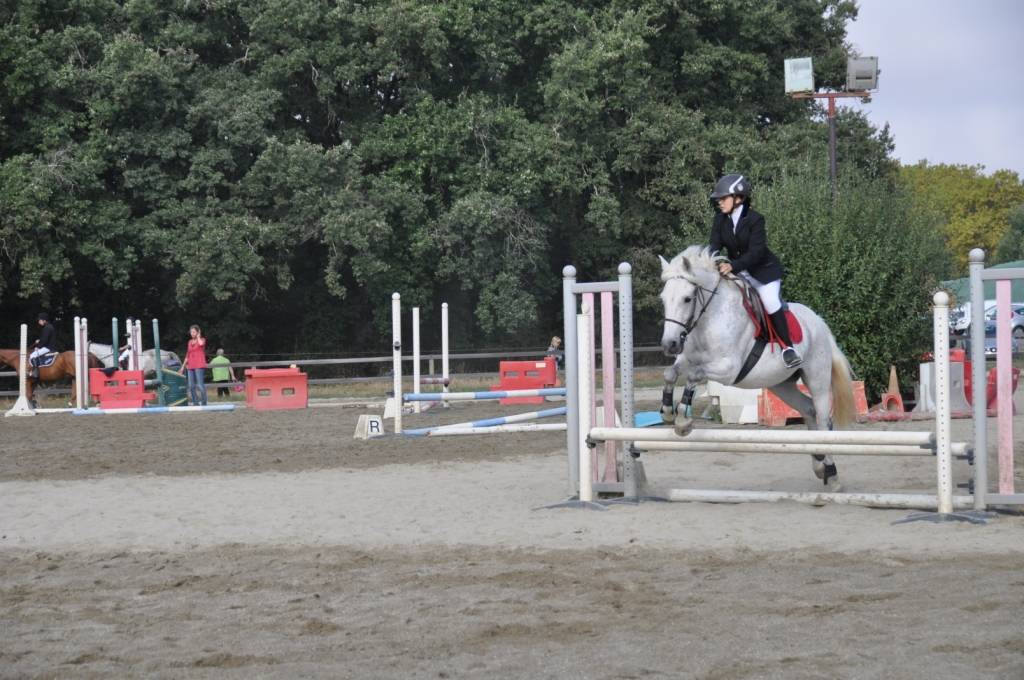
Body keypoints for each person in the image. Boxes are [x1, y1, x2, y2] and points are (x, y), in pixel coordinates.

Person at [707, 174, 802, 368]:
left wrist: (733, 266)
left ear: (739, 198)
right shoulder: (720, 219)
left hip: (764, 273)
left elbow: (756, 252)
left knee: (770, 301)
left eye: (723, 198)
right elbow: (714, 246)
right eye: (719, 199)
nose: (719, 202)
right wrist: (711, 261)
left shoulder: (755, 219)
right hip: (740, 272)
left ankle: (788, 348)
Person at [180, 324, 208, 406]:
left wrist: (199, 336)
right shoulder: (189, 342)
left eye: (194, 332)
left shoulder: (202, 339)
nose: (192, 333)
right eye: (191, 332)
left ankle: (204, 402)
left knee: (200, 385)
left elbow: (201, 344)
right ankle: (195, 402)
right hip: (190, 366)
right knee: (191, 386)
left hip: (199, 365)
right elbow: (187, 355)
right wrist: (182, 367)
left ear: (198, 332)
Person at [29, 312, 59, 377]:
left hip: (48, 348)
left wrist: (38, 347)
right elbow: (45, 338)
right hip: (50, 346)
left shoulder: (47, 328)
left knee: (32, 355)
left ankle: (35, 372)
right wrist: (39, 341)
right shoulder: (49, 327)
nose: (38, 322)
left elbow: (44, 340)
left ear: (44, 320)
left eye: (40, 320)